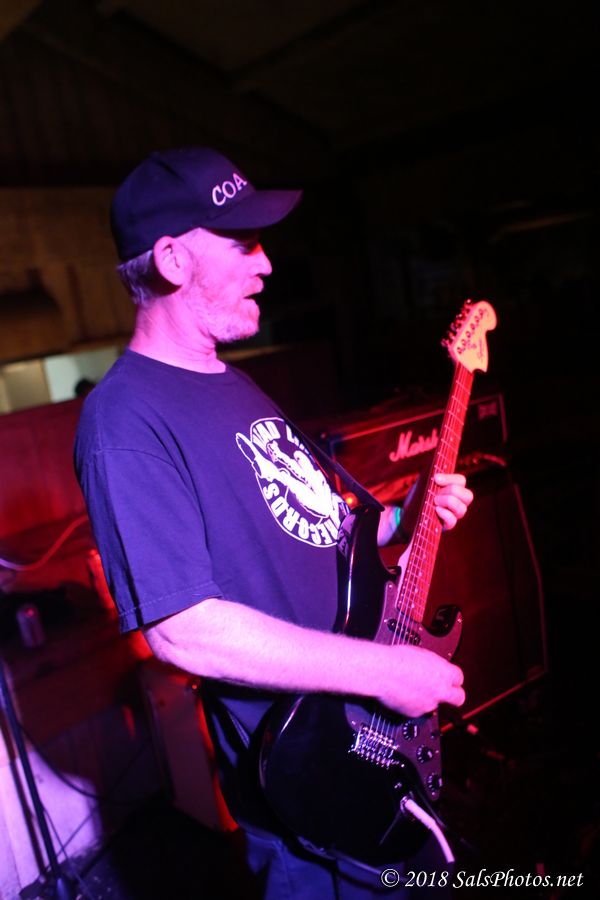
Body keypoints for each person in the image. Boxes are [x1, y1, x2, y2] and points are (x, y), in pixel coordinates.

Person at [74, 147, 473, 899]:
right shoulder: (124, 419)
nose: (267, 263)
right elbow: (184, 630)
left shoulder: (233, 381)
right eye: (243, 243)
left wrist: (402, 517)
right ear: (172, 260)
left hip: (374, 740)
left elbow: (316, 528)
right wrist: (387, 673)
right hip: (317, 798)